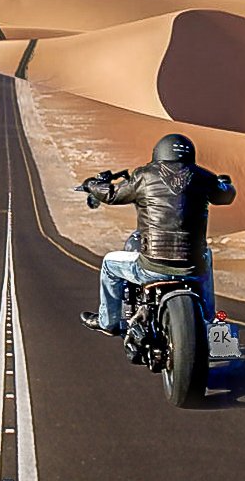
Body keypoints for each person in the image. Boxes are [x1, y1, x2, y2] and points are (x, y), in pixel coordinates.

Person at [78, 133, 235, 334]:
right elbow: (226, 195)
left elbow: (111, 194)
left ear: (158, 153)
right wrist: (224, 184)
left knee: (109, 263)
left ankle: (108, 322)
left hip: (151, 268)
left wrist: (91, 184)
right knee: (208, 255)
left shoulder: (144, 175)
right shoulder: (204, 178)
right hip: (192, 268)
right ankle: (208, 316)